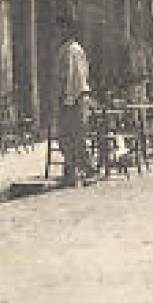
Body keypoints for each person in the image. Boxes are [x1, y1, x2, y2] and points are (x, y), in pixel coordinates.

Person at [54, 17, 92, 184]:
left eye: (60, 29)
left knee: (77, 137)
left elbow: (73, 77)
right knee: (66, 137)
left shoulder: (72, 50)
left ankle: (87, 169)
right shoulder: (65, 49)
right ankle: (71, 170)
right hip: (69, 97)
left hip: (74, 98)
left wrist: (68, 99)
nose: (57, 33)